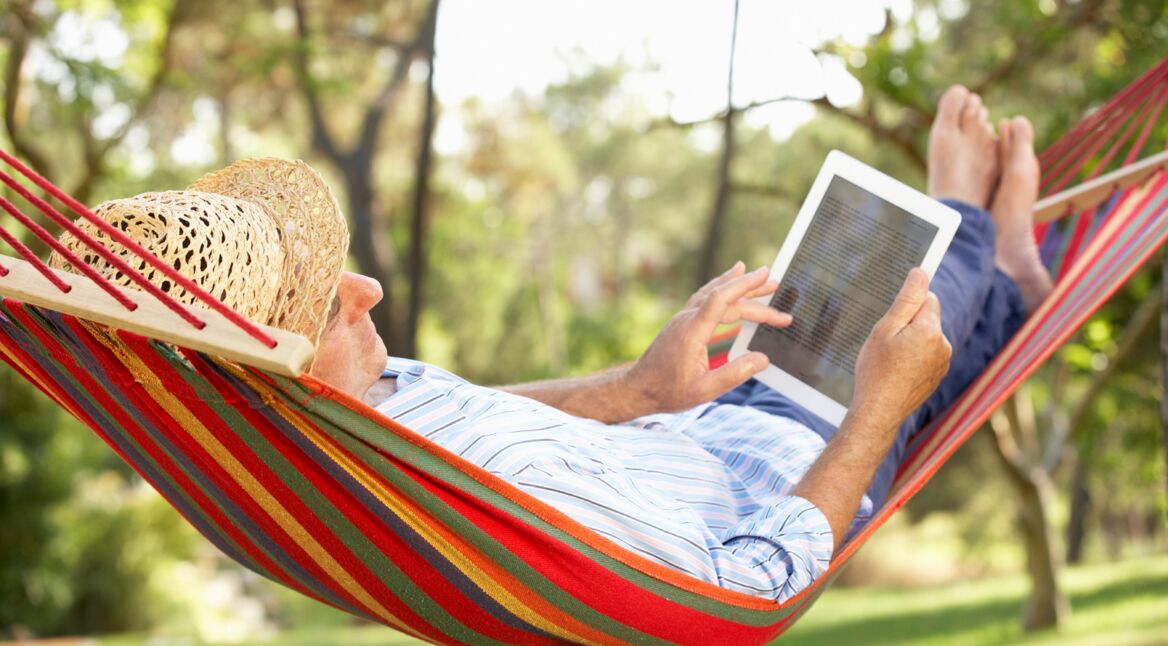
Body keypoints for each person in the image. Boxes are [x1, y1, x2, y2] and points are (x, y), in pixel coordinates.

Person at [57, 85, 1051, 603]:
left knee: (859, 291)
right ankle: (988, 241)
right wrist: (877, 406)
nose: (368, 289)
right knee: (924, 287)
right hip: (795, 463)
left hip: (704, 423)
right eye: (323, 305)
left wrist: (636, 386)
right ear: (267, 375)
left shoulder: (361, 420)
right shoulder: (412, 488)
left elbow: (495, 425)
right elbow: (750, 583)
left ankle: (1003, 272)